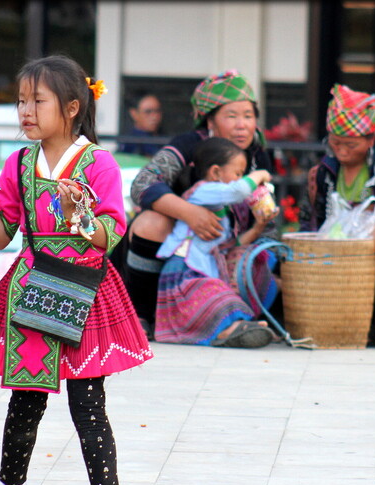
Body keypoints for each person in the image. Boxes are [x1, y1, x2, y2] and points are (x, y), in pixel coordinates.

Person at [0, 54, 152, 485]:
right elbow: (1, 233)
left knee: (88, 404)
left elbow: (109, 234)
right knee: (24, 398)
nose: (25, 111)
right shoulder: (20, 163)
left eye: (37, 101)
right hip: (31, 284)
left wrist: (80, 213)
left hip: (81, 286)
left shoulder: (98, 163)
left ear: (72, 107)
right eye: (21, 101)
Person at [115, 69, 275, 339]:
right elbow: (143, 183)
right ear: (209, 121)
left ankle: (233, 321)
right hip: (182, 251)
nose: (242, 125)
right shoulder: (189, 145)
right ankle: (140, 316)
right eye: (231, 116)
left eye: (248, 116)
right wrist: (190, 213)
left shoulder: (258, 155)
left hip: (226, 248)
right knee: (152, 222)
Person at [300, 84, 375, 345]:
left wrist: (365, 228)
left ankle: (374, 318)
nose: (342, 150)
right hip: (332, 254)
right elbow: (309, 218)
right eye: (336, 143)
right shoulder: (324, 172)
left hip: (374, 251)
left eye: (350, 144)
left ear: (371, 140)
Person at [155, 136, 277, 347]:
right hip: (185, 270)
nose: (242, 179)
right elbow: (238, 191)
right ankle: (227, 332)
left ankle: (237, 327)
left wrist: (258, 226)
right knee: (214, 294)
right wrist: (260, 174)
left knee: (223, 293)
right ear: (215, 173)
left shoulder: (220, 206)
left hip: (204, 271)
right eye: (238, 174)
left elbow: (232, 245)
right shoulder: (204, 190)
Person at [118, 91, 163, 157]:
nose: (154, 116)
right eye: (148, 112)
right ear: (134, 113)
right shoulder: (130, 143)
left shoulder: (162, 140)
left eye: (158, 111)